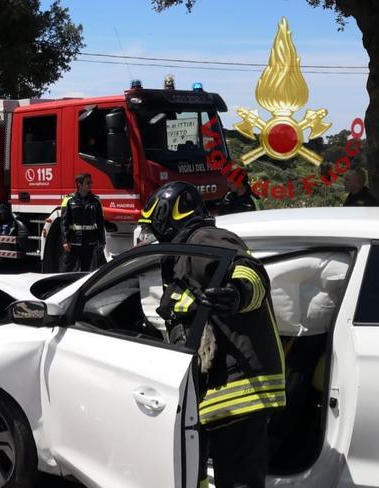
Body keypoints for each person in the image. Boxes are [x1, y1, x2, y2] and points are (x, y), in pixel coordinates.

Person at [138, 181, 286, 488]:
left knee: (238, 479)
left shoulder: (203, 239)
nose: (152, 234)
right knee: (196, 475)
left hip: (239, 386)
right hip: (215, 390)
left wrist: (237, 294)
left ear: (166, 216)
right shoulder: (181, 254)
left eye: (153, 226)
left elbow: (249, 271)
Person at [61, 173, 106, 272]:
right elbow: (64, 222)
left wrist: (102, 241)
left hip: (90, 241)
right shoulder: (68, 200)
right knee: (68, 269)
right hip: (74, 241)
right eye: (88, 182)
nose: (90, 185)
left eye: (91, 182)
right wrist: (65, 241)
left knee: (87, 271)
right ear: (79, 184)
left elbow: (100, 222)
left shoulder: (96, 201)